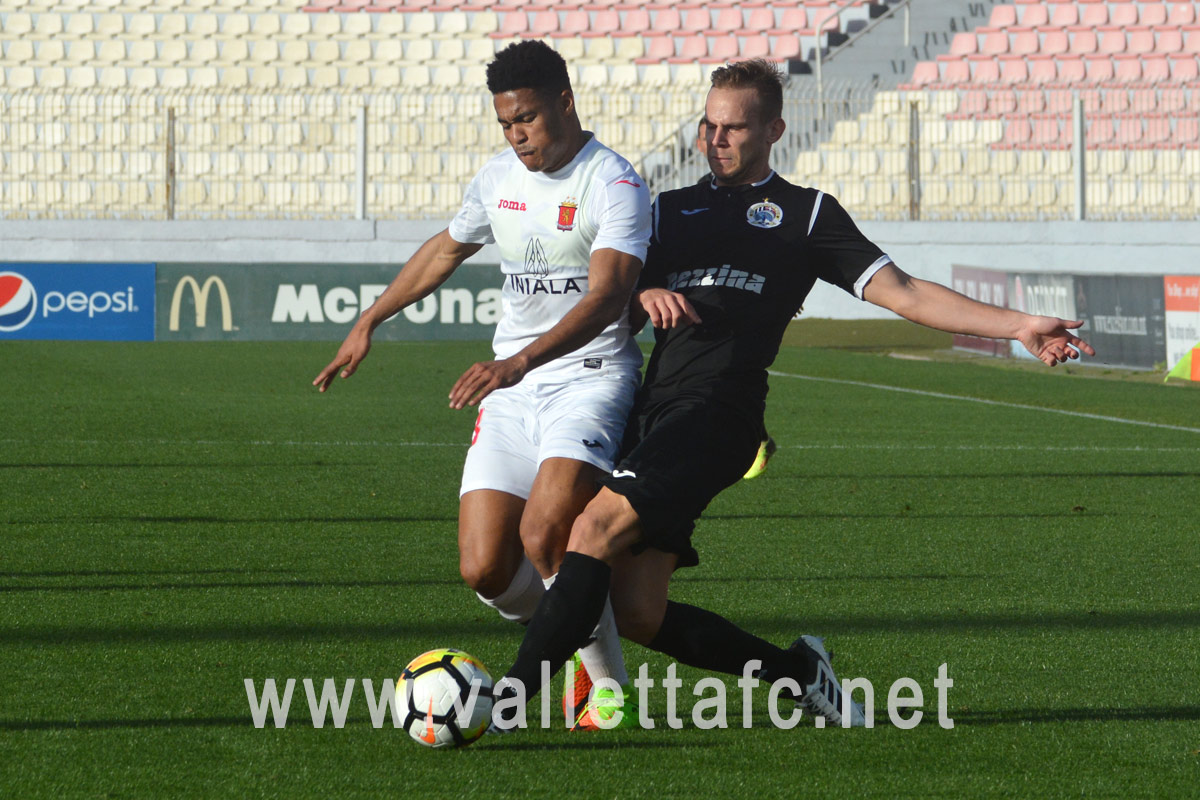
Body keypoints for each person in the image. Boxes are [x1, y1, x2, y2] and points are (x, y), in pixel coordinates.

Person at [493, 59, 1095, 729]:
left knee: (590, 530)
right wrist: (643, 295)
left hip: (719, 412)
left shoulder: (807, 215)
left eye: (735, 127)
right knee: (638, 612)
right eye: (708, 126)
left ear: (774, 129)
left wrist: (1017, 325)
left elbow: (906, 291)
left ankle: (502, 702)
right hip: (650, 410)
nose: (716, 140)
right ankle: (800, 674)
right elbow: (608, 294)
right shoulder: (666, 212)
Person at [313, 40, 650, 730]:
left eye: (527, 117)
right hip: (512, 390)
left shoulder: (613, 183)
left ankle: (606, 688)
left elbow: (610, 295)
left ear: (565, 101)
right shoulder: (498, 177)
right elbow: (445, 248)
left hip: (589, 380)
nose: (517, 134)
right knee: (484, 568)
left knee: (548, 532)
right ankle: (578, 630)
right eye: (505, 123)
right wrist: (371, 317)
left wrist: (520, 362)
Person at [693, 116, 777, 481]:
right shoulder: (687, 199)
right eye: (708, 134)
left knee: (734, 375)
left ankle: (755, 436)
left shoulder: (768, 203)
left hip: (741, 312)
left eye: (726, 132)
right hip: (701, 311)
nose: (715, 141)